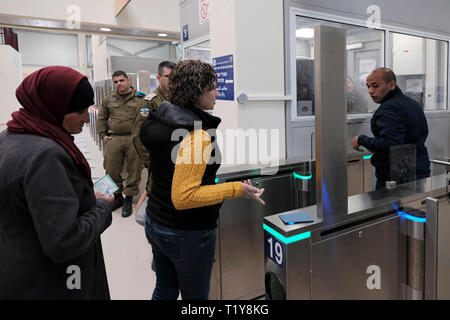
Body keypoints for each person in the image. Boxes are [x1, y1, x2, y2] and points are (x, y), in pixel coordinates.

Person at [140, 60, 265, 300]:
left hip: (156, 220)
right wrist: (236, 188)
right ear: (197, 91)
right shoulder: (197, 135)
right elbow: (184, 197)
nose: (218, 93)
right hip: (187, 233)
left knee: (164, 289)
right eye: (213, 88)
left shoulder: (160, 117)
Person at [0, 66, 114, 299]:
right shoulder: (46, 156)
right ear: (55, 108)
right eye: (80, 111)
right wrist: (102, 206)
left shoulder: (10, 136)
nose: (86, 117)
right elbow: (65, 241)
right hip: (53, 282)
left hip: (18, 266)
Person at [351, 67, 430, 189]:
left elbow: (390, 144)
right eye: (368, 86)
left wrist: (361, 140)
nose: (370, 91)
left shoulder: (389, 109)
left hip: (397, 176)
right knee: (413, 207)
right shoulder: (411, 103)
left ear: (392, 85)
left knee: (388, 208)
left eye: (375, 86)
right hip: (419, 169)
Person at [97, 70, 151, 217]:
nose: (119, 84)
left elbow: (147, 119)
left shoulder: (141, 98)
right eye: (115, 82)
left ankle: (128, 198)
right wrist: (102, 134)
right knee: (111, 168)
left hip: (134, 139)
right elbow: (101, 117)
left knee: (135, 169)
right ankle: (118, 196)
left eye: (121, 80)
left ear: (128, 80)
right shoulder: (109, 98)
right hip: (114, 138)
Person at [131, 61, 176, 189]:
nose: (172, 80)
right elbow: (137, 136)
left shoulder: (179, 100)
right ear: (158, 78)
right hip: (159, 164)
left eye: (175, 76)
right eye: (168, 76)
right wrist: (152, 163)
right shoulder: (149, 102)